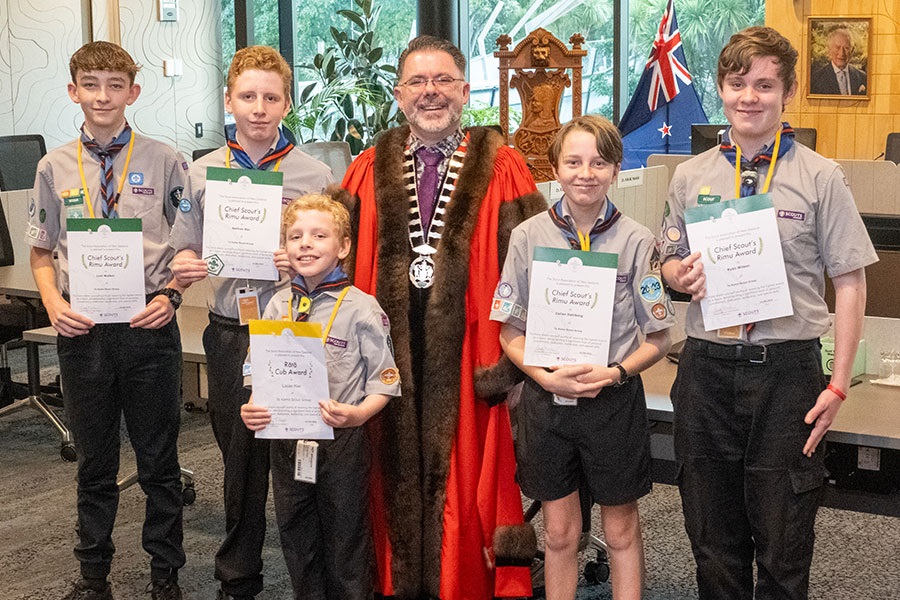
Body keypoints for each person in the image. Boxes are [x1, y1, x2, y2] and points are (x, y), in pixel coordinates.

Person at [659, 26, 876, 600]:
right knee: (711, 538)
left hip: (786, 376)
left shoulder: (820, 177)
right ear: (722, 89)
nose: (748, 97)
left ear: (788, 92)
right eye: (737, 84)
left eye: (763, 84)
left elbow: (850, 282)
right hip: (706, 370)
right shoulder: (689, 176)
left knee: (783, 543)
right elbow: (670, 263)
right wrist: (676, 275)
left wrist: (836, 384)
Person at [334, 35, 547, 600]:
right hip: (387, 354)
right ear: (399, 93)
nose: (431, 93)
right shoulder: (366, 168)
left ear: (464, 89)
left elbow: (536, 270)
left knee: (470, 484)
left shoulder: (503, 166)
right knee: (387, 477)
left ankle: (463, 586)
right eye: (417, 83)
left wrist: (518, 361)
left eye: (443, 81)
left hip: (471, 354)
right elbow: (335, 262)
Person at [168, 46, 332, 600]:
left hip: (295, 332)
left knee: (297, 461)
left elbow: (341, 259)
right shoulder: (201, 171)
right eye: (247, 97)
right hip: (229, 332)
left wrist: (305, 260)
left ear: (286, 103)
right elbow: (184, 252)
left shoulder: (315, 173)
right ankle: (238, 579)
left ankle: (310, 577)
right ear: (229, 101)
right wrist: (186, 267)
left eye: (270, 97)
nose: (259, 109)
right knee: (238, 463)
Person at [26, 41, 187, 600]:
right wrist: (51, 303)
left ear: (132, 93)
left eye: (114, 85)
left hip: (149, 325)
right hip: (84, 332)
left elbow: (189, 246)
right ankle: (93, 576)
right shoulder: (53, 165)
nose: (102, 95)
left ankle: (165, 576)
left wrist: (171, 294)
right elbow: (42, 251)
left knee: (159, 461)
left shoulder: (166, 160)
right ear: (74, 92)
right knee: (94, 463)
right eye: (90, 84)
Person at [492, 115, 674, 600]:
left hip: (612, 403)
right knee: (558, 534)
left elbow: (659, 337)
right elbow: (509, 331)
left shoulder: (638, 241)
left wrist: (615, 372)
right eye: (573, 161)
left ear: (615, 169)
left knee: (619, 532)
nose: (585, 173)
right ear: (555, 168)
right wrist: (545, 378)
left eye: (598, 162)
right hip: (546, 403)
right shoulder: (527, 237)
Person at [239, 194, 400, 600]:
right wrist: (253, 406)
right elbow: (255, 366)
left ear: (343, 246)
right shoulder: (277, 305)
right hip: (286, 441)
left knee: (346, 538)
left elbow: (385, 379)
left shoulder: (362, 308)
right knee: (296, 536)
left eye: (318, 235)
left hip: (340, 441)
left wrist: (360, 415)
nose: (305, 244)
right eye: (295, 236)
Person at [810, 26, 867, 95]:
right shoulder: (816, 79)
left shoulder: (863, 77)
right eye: (837, 47)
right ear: (829, 50)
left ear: (851, 51)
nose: (841, 53)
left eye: (846, 48)